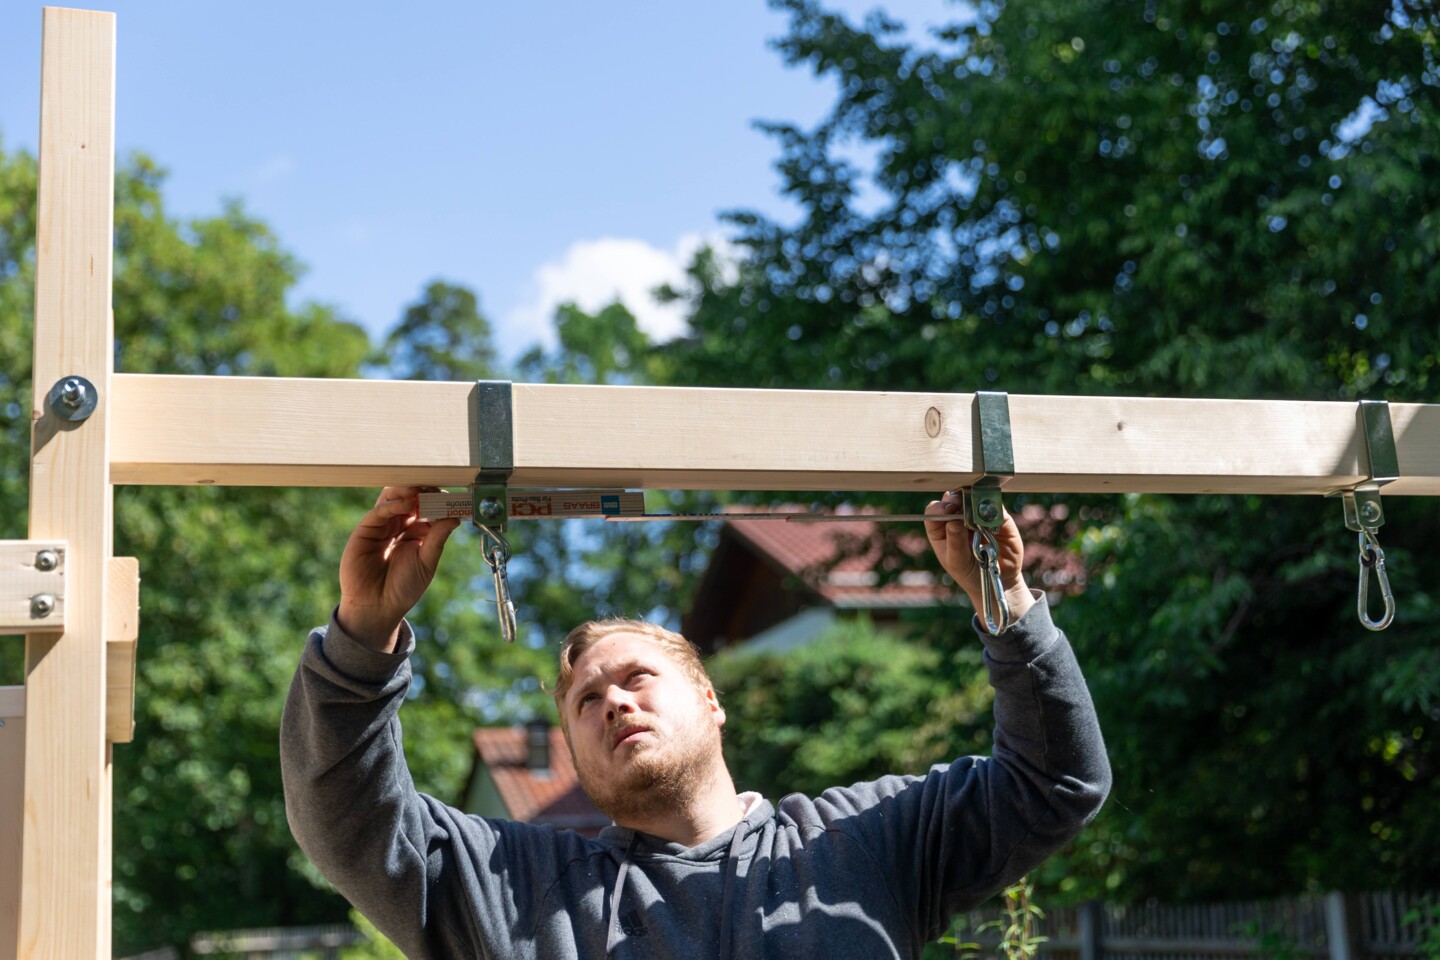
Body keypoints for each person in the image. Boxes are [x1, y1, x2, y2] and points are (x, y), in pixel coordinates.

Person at [281, 486, 1110, 958]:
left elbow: (1054, 783)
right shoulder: (521, 892)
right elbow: (351, 824)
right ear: (574, 758)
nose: (613, 702)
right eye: (586, 704)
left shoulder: (864, 844)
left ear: (711, 701)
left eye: (637, 677)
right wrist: (362, 634)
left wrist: (1009, 607)